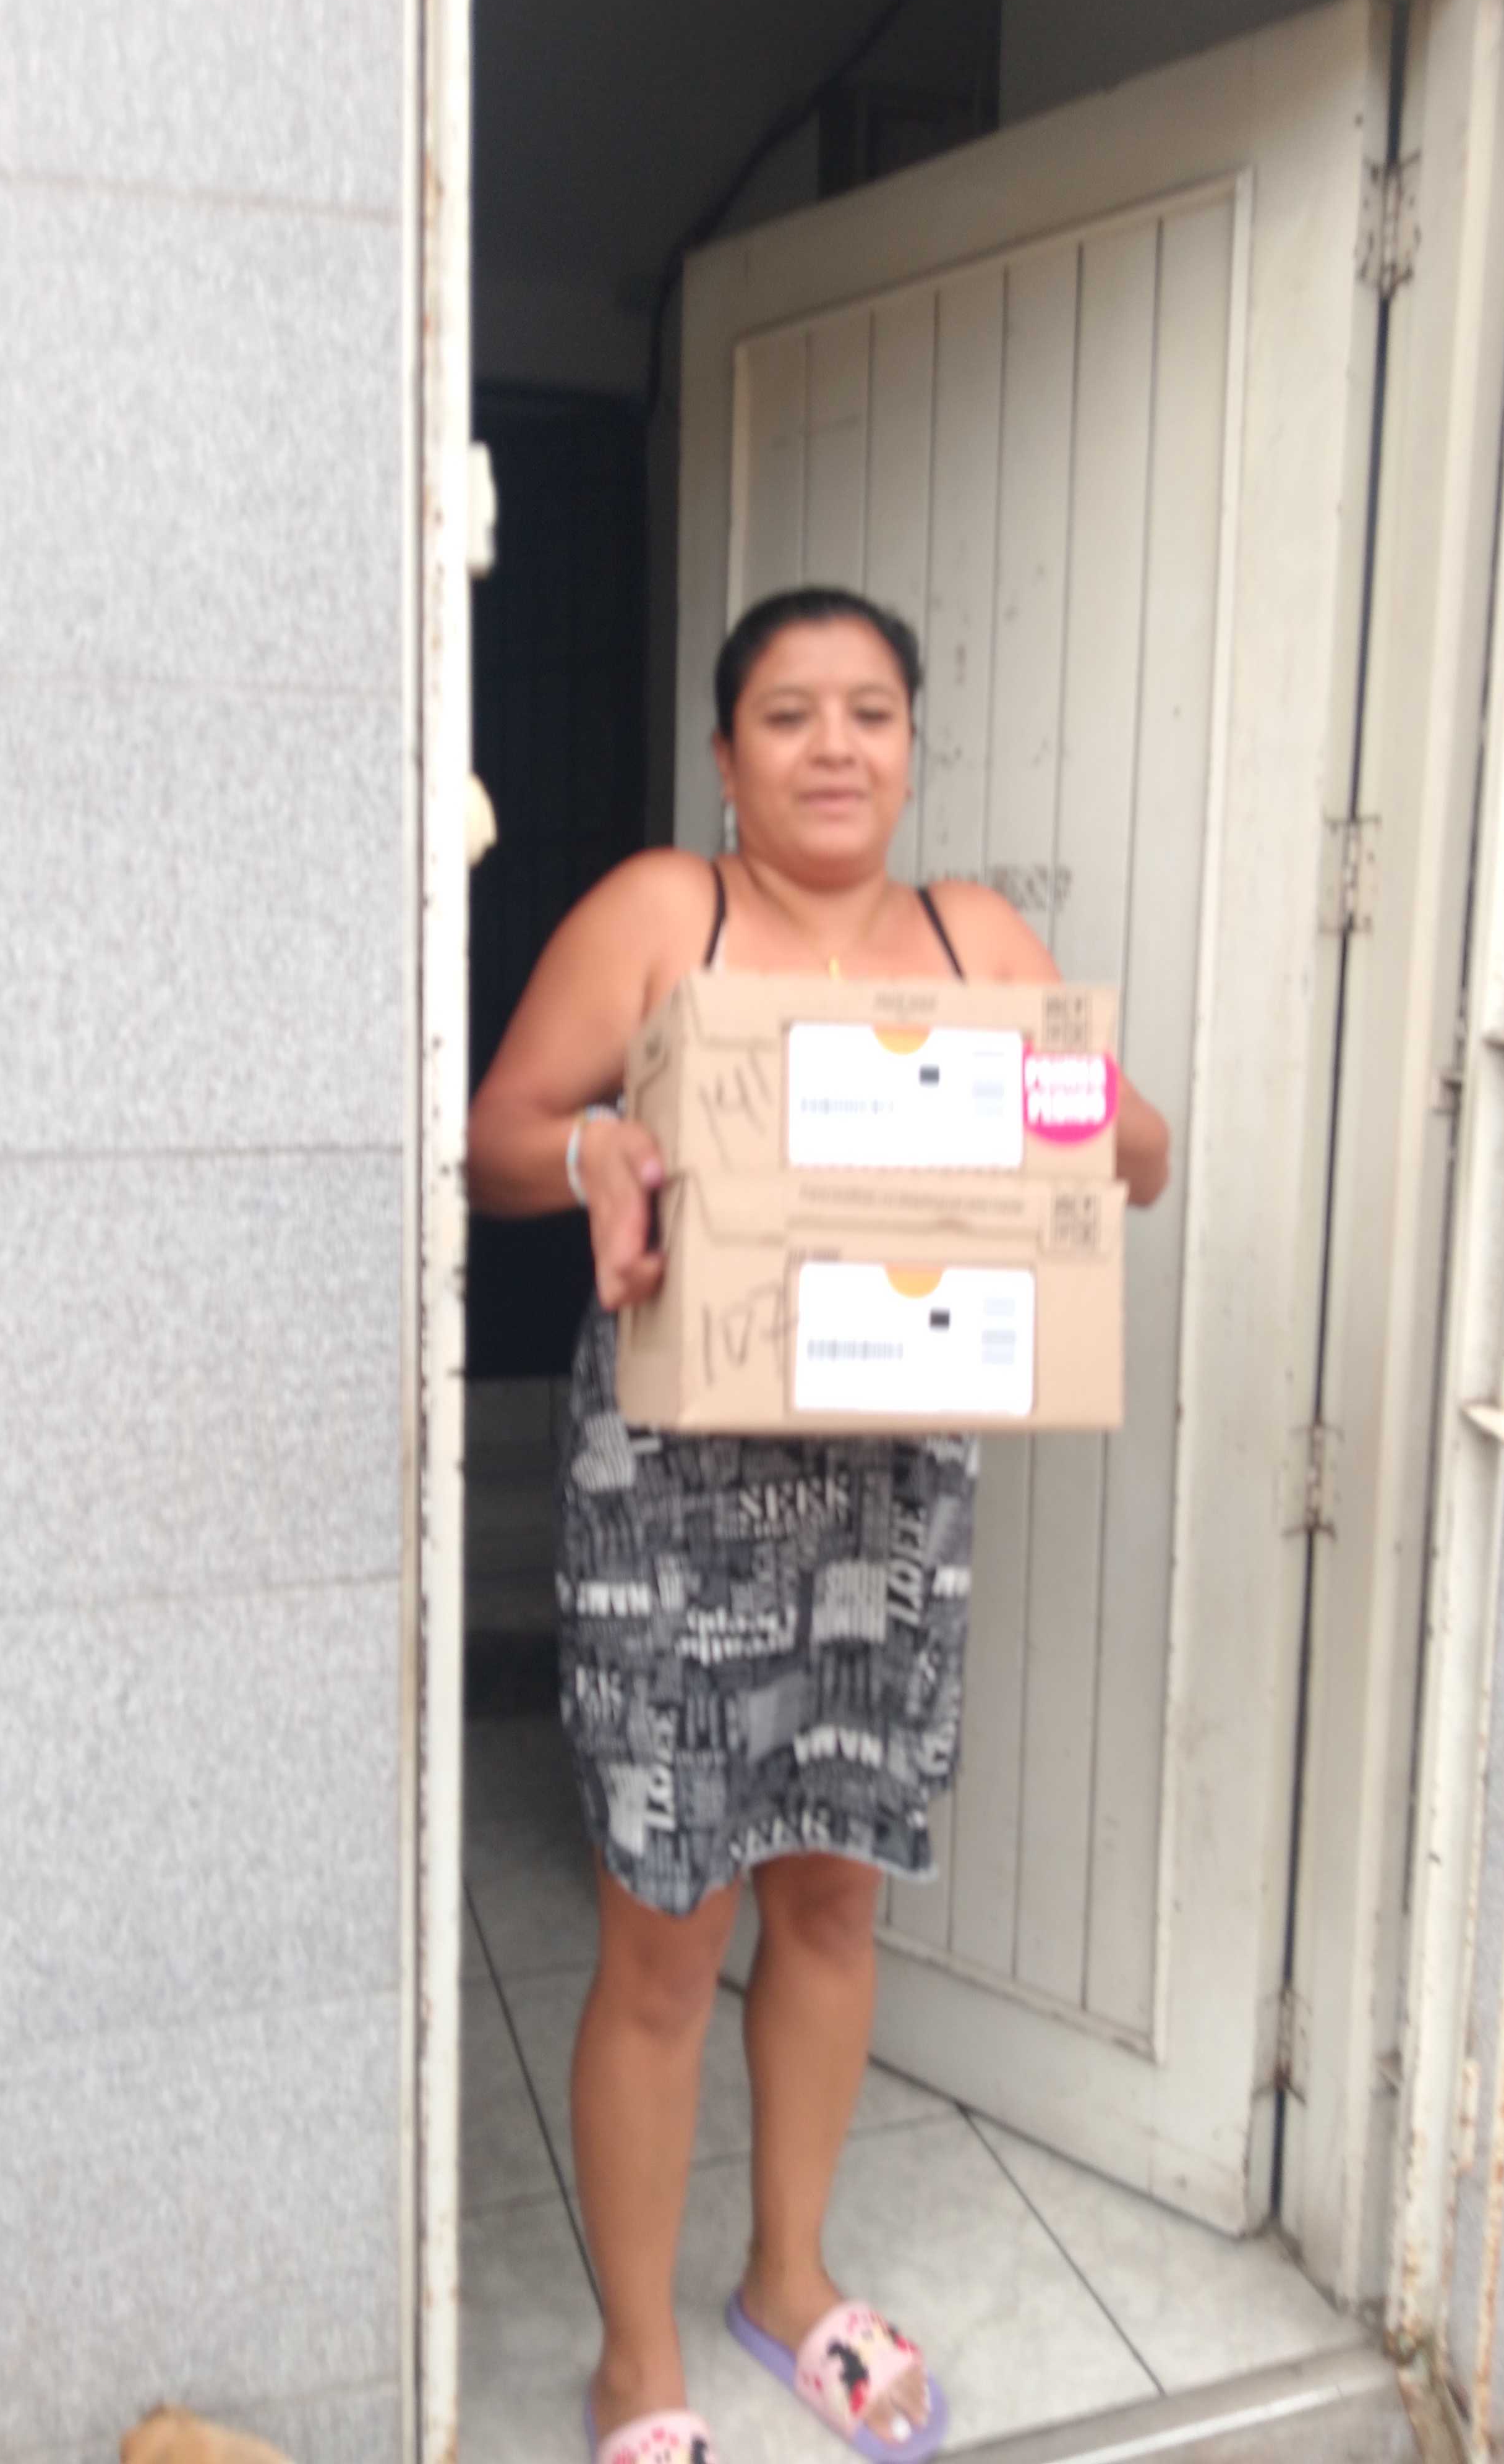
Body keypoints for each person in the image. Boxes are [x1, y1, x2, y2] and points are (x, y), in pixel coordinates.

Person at [468, 587, 1171, 2464]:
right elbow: (496, 1134)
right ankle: (638, 2360)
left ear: (913, 746)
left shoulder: (977, 939)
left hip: (887, 1497)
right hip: (675, 1503)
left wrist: (1075, 1109)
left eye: (871, 711)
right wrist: (594, 1149)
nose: (835, 745)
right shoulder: (661, 915)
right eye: (789, 714)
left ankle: (788, 2281)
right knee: (665, 1933)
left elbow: (1135, 1155)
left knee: (835, 1896)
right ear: (727, 755)